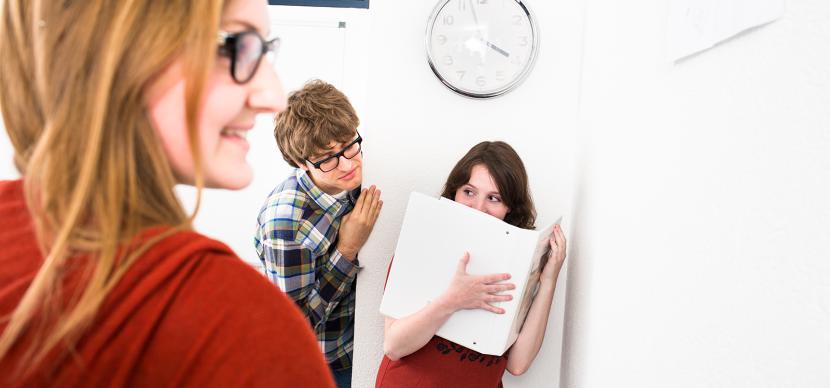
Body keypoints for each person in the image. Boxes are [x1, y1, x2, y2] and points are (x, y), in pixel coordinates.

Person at [0, 1, 333, 387]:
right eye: (236, 46)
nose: (273, 96)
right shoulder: (236, 327)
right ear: (114, 50)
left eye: (264, 49)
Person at [375, 141, 568, 387]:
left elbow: (517, 365)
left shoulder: (518, 261)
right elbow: (394, 345)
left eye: (494, 198)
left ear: (510, 208)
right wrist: (453, 300)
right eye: (469, 192)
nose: (479, 208)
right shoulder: (421, 244)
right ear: (454, 192)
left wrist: (549, 280)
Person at [255, 79, 382, 388]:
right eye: (328, 158)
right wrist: (347, 249)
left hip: (358, 349)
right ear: (302, 162)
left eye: (349, 144)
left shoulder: (353, 175)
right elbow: (297, 329)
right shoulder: (286, 224)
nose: (348, 164)